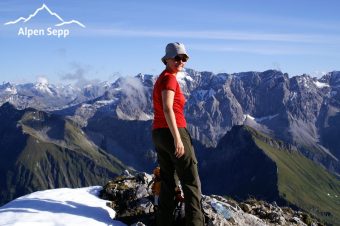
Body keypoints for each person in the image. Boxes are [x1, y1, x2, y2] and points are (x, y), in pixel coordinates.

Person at [152, 42, 205, 226]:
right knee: (191, 182)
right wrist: (177, 138)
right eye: (177, 58)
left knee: (168, 181)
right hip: (173, 132)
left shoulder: (161, 78)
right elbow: (168, 109)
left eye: (184, 58)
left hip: (158, 133)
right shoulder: (170, 79)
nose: (181, 61)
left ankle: (163, 222)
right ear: (167, 59)